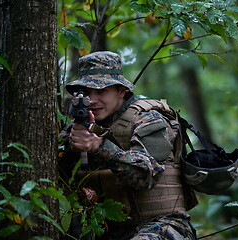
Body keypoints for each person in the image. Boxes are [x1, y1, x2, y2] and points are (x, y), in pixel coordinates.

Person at [59, 51, 197, 240]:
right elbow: (57, 178)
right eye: (87, 92)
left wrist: (99, 147)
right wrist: (72, 151)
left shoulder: (148, 119)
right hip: (105, 228)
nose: (92, 100)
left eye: (101, 91)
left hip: (161, 224)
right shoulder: (76, 127)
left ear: (121, 91)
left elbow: (146, 176)